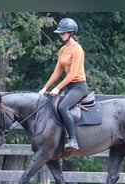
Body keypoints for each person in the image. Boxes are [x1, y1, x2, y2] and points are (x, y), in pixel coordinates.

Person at [39, 17, 87, 151]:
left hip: (79, 87)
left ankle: (73, 140)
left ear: (71, 33)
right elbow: (57, 72)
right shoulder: (62, 50)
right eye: (60, 33)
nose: (61, 35)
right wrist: (45, 88)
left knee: (63, 107)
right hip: (70, 87)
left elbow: (72, 74)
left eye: (63, 33)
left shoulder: (77, 49)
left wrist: (58, 88)